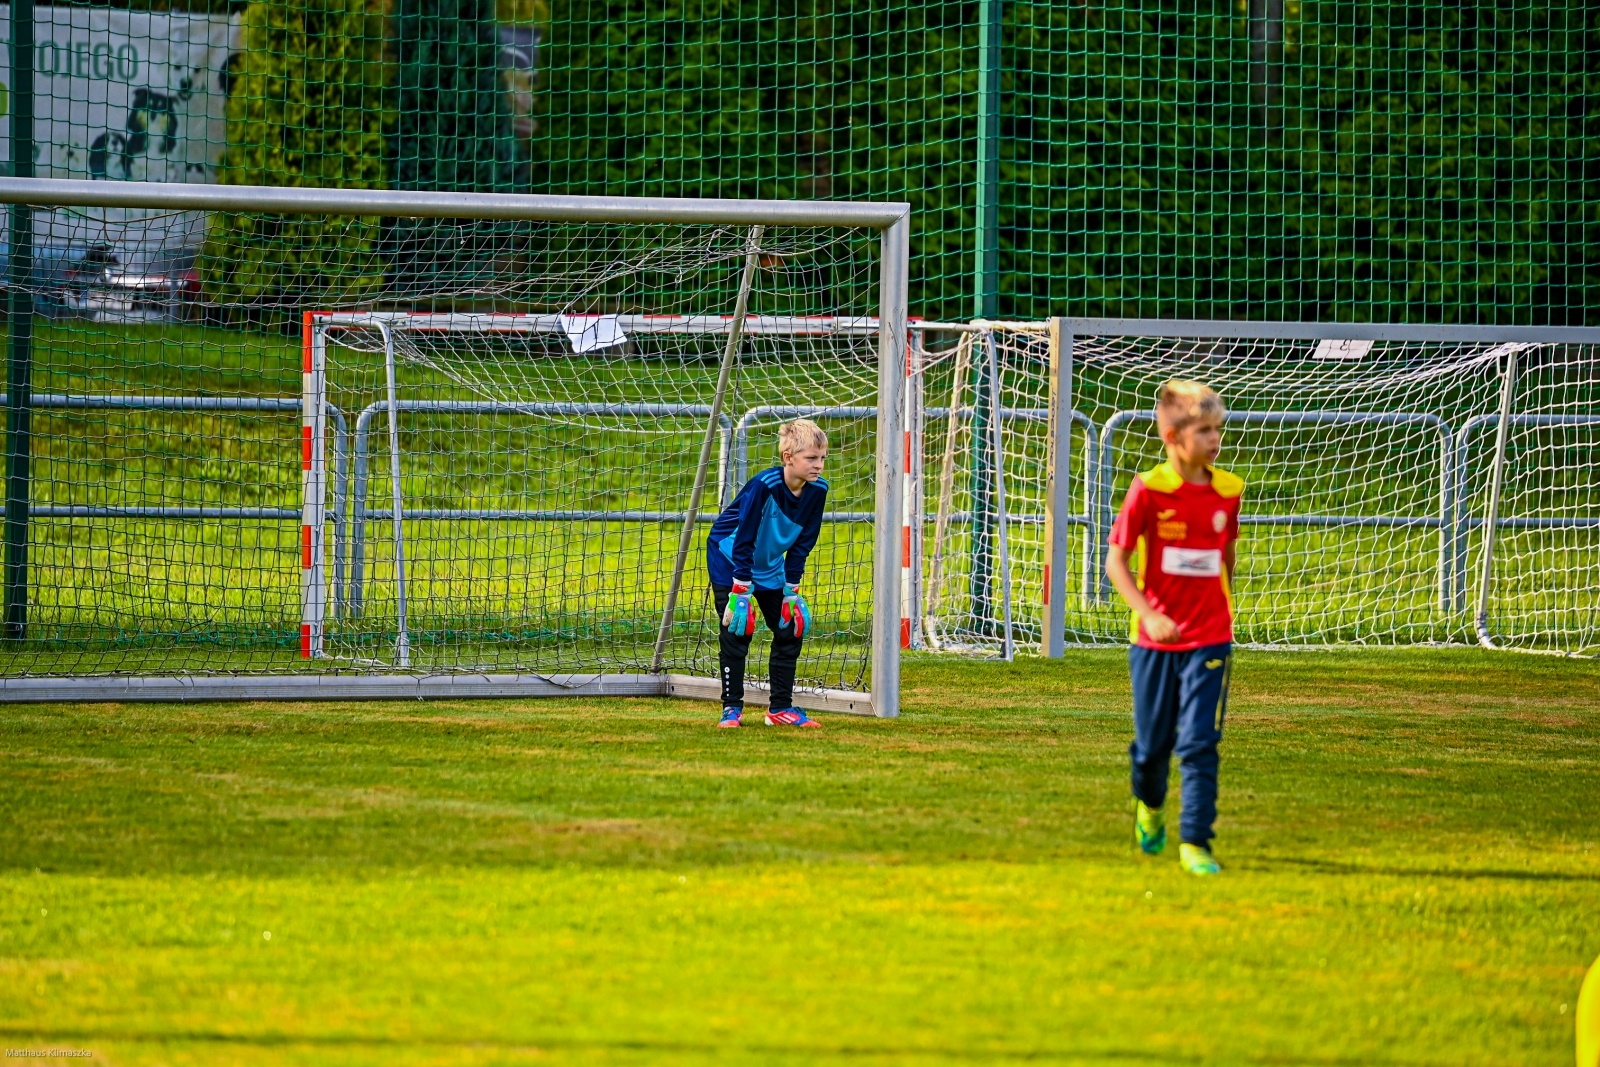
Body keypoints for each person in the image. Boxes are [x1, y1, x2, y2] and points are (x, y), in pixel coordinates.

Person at [1105, 380, 1243, 876]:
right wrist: (1150, 613)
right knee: (1151, 749)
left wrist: (1218, 610)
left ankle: (1196, 844)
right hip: (1154, 641)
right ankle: (1150, 807)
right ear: (1171, 434)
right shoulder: (1148, 490)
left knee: (1200, 742)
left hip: (1210, 636)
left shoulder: (1230, 490)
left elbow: (1226, 557)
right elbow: (1115, 562)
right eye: (1203, 430)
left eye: (1217, 429)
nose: (1215, 439)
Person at [705, 418, 829, 729]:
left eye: (822, 457)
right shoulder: (765, 485)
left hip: (770, 565)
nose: (819, 465)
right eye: (811, 458)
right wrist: (740, 590)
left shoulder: (818, 491)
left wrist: (791, 589)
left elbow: (803, 543)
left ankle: (780, 709)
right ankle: (731, 709)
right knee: (738, 629)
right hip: (730, 558)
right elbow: (744, 536)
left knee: (790, 629)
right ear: (789, 458)